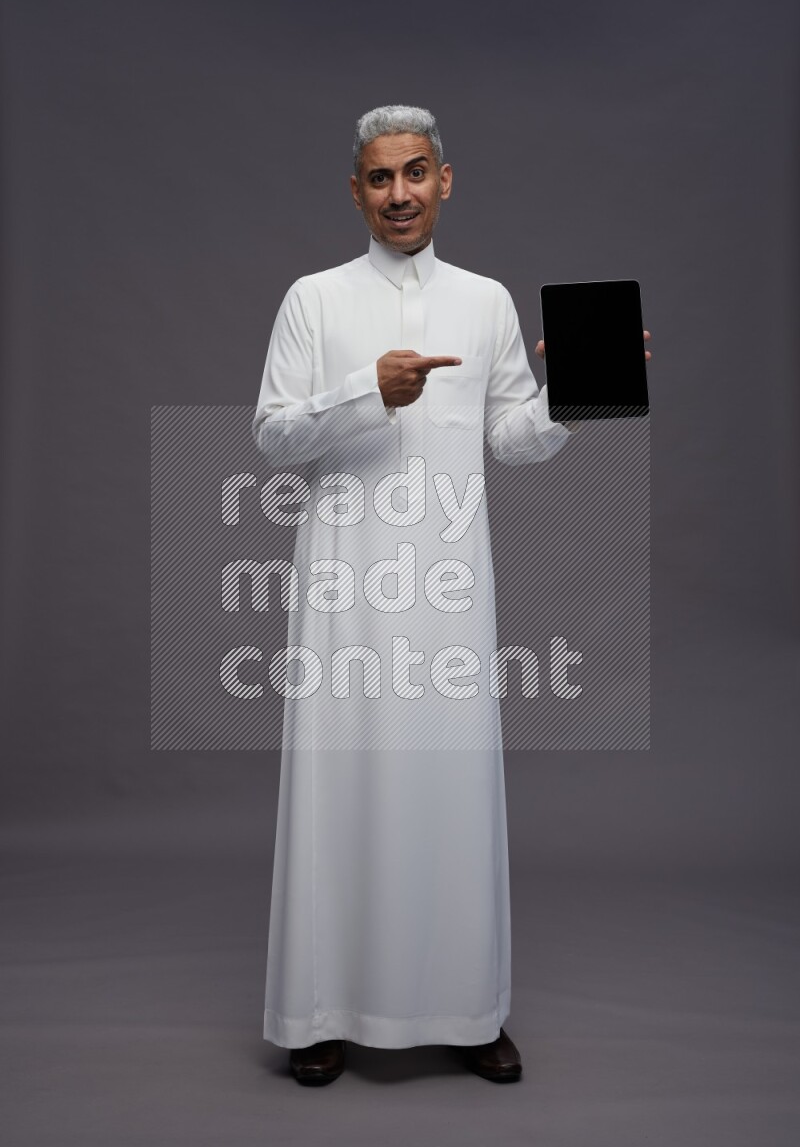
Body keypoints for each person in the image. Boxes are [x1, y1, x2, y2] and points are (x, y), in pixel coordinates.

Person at [251, 104, 652, 1086]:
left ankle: (467, 1010)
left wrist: (569, 398)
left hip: (446, 584)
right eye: (379, 178)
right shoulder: (313, 299)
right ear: (355, 190)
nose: (399, 194)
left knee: (450, 782)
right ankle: (319, 1014)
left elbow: (507, 437)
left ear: (444, 181)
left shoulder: (484, 301)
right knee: (339, 784)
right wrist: (363, 393)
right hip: (346, 583)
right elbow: (270, 433)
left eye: (415, 173)